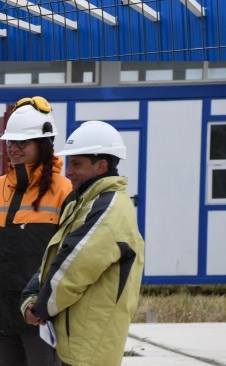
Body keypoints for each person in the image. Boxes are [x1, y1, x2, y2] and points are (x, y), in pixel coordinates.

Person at [21, 121, 145, 366]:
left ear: (101, 166)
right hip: (78, 341)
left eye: (77, 164)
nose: (68, 171)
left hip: (90, 348)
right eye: (69, 163)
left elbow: (73, 270)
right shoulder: (87, 201)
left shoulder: (109, 208)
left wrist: (40, 308)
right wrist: (31, 296)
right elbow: (58, 255)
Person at [0, 97, 74, 366]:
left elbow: (71, 255)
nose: (13, 148)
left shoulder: (65, 192)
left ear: (44, 144)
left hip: (40, 318)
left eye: (22, 143)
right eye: (10, 142)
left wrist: (47, 304)